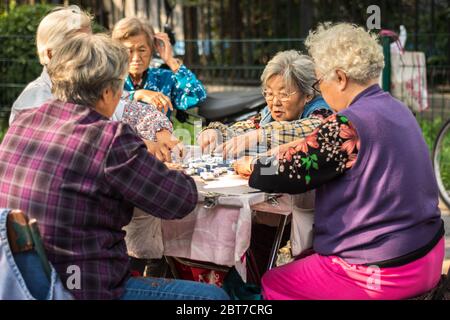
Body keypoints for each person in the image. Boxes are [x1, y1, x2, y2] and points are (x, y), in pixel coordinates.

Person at [0, 32, 228, 300]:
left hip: (23, 281)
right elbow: (180, 200)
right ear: (108, 92)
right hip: (83, 289)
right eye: (120, 87)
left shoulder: (22, 124)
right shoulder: (109, 139)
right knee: (213, 299)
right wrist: (173, 172)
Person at [236, 22, 445, 300]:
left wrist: (254, 166)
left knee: (274, 282)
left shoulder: (348, 124)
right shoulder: (396, 108)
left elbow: (287, 173)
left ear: (340, 77)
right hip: (426, 255)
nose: (320, 89)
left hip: (382, 270)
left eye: (320, 81)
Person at [8, 5, 179, 163]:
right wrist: (139, 144)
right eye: (79, 46)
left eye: (90, 43)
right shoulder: (34, 100)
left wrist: (160, 133)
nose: (91, 52)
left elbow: (133, 110)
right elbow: (80, 145)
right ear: (51, 54)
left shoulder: (87, 85)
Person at [197, 50, 332, 158]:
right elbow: (247, 128)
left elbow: (319, 128)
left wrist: (262, 135)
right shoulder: (268, 114)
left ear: (307, 95)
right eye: (269, 93)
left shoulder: (322, 109)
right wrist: (215, 133)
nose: (275, 102)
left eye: (284, 94)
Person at [112, 17, 207, 118]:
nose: (136, 58)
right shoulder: (111, 79)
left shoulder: (164, 78)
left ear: (152, 50)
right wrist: (137, 95)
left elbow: (198, 96)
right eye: (128, 51)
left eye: (142, 50)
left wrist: (170, 60)